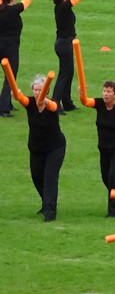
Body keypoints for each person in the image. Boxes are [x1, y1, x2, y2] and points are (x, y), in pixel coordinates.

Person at [5, 65, 65, 220]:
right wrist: (16, 94)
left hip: (55, 147)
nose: (38, 92)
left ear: (46, 91)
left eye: (41, 90)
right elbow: (22, 99)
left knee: (50, 177)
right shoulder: (30, 103)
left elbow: (53, 106)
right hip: (36, 148)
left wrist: (44, 100)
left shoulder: (51, 105)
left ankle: (50, 212)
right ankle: (46, 203)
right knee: (37, 177)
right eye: (36, 89)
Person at [82, 76, 115, 217]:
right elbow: (86, 102)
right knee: (106, 178)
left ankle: (114, 211)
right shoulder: (100, 104)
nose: (105, 94)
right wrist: (81, 93)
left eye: (109, 92)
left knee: (113, 176)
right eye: (104, 91)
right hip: (104, 148)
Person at [50, 0, 91, 110]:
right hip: (64, 44)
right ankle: (55, 102)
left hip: (64, 43)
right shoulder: (65, 7)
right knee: (64, 74)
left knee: (69, 72)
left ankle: (67, 102)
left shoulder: (61, 5)